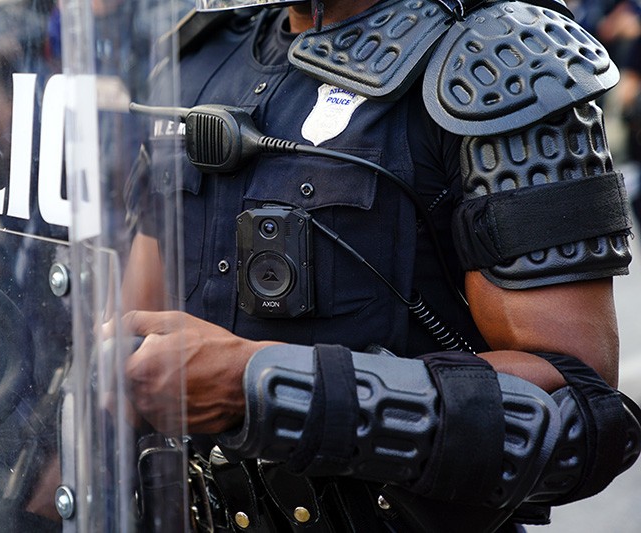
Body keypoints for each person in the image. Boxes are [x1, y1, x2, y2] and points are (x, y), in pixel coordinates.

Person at [120, 0, 641, 531]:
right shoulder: (200, 55)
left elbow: (575, 407)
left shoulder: (502, 62)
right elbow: (131, 329)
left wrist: (264, 385)